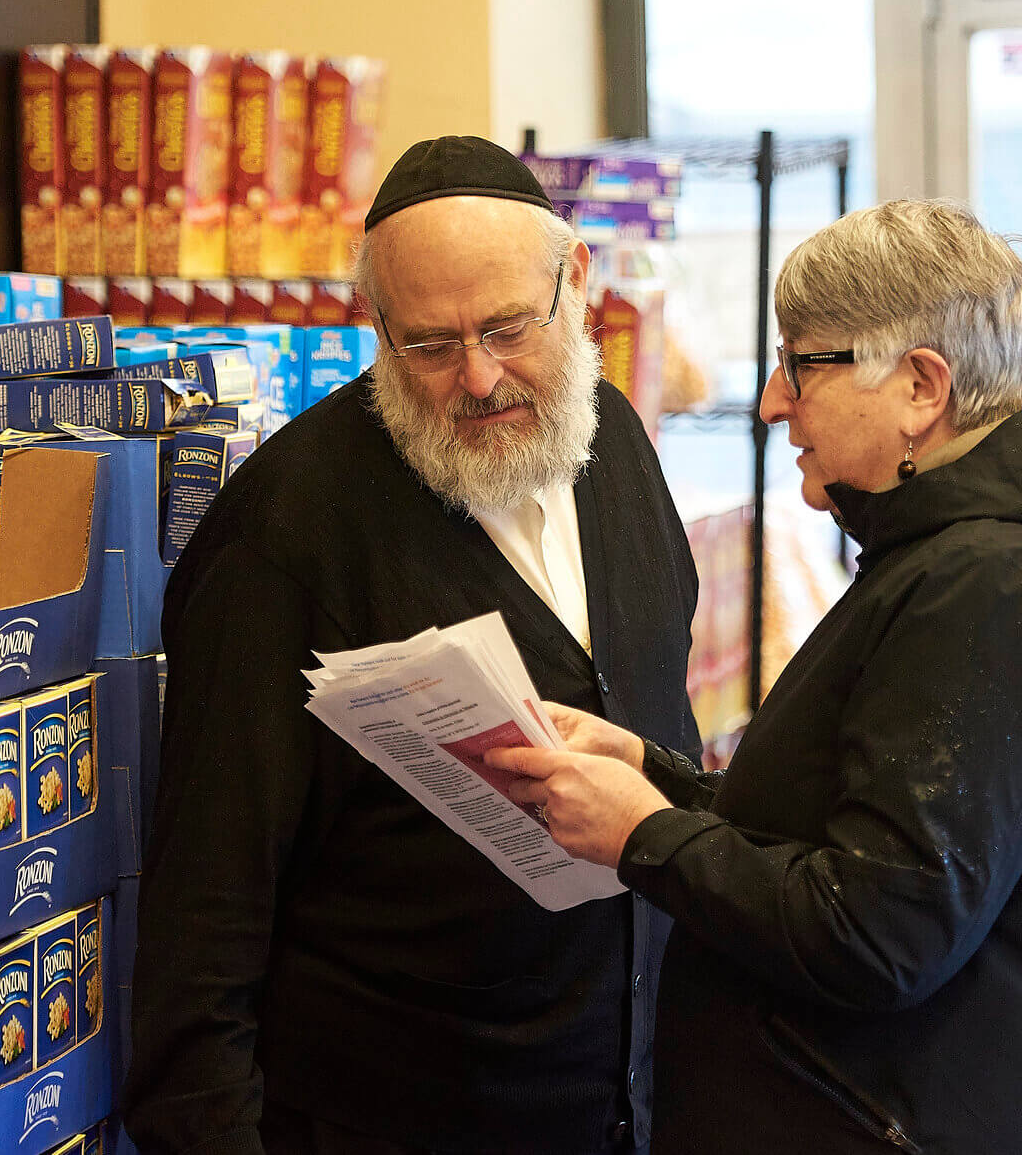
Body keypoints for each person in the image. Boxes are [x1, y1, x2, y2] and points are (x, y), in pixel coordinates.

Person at [490, 199, 1022, 1155]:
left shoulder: (995, 586)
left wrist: (643, 836)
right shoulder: (962, 562)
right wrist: (656, 778)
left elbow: (878, 932)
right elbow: (862, 830)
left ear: (920, 387)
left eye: (803, 362)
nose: (774, 401)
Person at [123, 136, 701, 1155]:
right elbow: (203, 917)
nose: (477, 378)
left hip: (621, 1102)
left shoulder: (619, 452)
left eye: (507, 329)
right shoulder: (286, 530)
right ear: (378, 330)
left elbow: (665, 742)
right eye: (429, 345)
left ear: (576, 285)